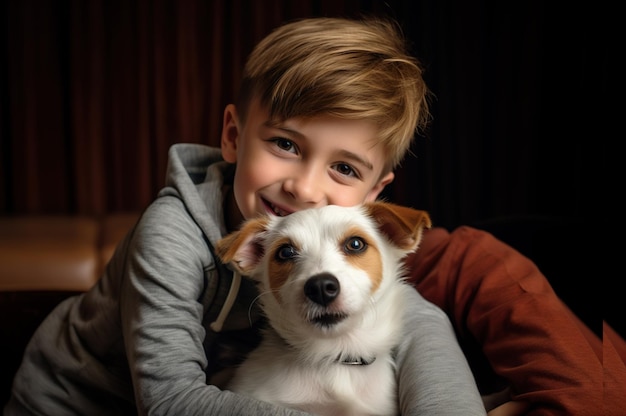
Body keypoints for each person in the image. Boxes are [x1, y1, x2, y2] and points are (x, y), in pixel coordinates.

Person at [4, 15, 612, 416]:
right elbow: (168, 402)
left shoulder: (354, 247)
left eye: (344, 170)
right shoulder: (173, 234)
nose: (307, 189)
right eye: (287, 146)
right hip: (74, 401)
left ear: (377, 192)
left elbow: (419, 324)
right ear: (234, 136)